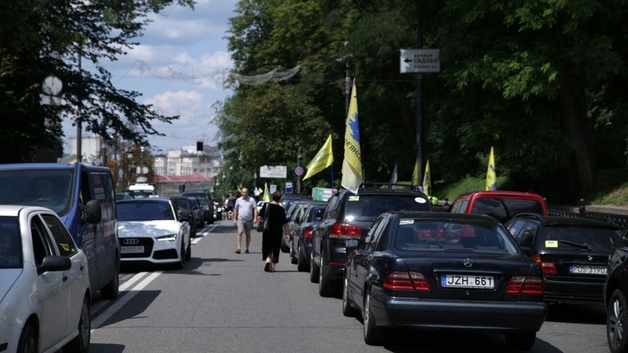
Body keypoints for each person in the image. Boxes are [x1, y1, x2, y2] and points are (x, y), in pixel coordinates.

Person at [258, 192, 290, 272]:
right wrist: (288, 234)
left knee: (267, 245)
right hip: (277, 231)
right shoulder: (281, 209)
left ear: (272, 198)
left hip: (267, 229)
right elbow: (285, 223)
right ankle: (272, 267)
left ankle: (268, 260)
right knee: (275, 248)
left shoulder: (266, 206)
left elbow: (260, 217)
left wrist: (259, 225)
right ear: (280, 199)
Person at [233, 188, 258, 254]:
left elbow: (255, 209)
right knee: (240, 232)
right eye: (243, 192)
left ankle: (247, 248)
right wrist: (234, 219)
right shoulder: (238, 200)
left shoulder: (252, 200)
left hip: (249, 219)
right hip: (240, 219)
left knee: (248, 234)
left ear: (248, 193)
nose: (244, 193)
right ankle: (238, 248)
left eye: (246, 192)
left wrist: (255, 218)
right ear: (241, 193)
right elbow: (235, 209)